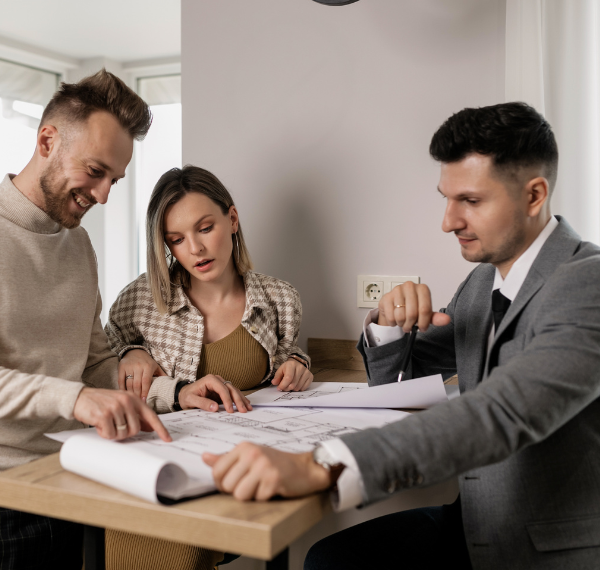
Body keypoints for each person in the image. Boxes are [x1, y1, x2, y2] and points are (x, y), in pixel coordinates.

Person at [202, 102, 600, 570]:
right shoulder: (482, 284)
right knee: (331, 560)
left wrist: (321, 464)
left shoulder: (587, 283)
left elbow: (500, 413)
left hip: (543, 545)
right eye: (446, 199)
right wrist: (388, 324)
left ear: (535, 196)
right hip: (471, 522)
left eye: (470, 201)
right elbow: (403, 379)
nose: (448, 221)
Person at [0, 69, 173, 570]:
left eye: (113, 181)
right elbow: (79, 388)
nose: (102, 196)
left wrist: (175, 392)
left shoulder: (77, 243)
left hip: (69, 476)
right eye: (95, 172)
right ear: (47, 140)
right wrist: (75, 397)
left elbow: (94, 359)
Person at [104, 165, 313, 569]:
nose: (195, 249)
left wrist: (299, 365)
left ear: (232, 220)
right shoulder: (141, 300)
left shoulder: (281, 298)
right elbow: (101, 366)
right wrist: (127, 352)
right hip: (158, 461)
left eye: (204, 228)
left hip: (238, 462)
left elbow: (287, 355)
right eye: (177, 240)